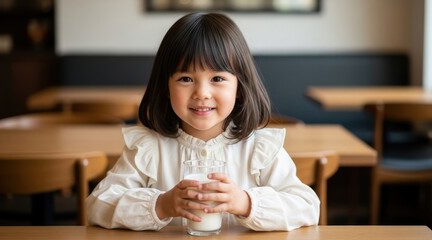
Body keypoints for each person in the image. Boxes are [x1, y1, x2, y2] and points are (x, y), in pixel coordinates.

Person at [86, 12, 319, 231]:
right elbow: (96, 205)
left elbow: (308, 207)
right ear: (166, 86)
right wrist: (162, 204)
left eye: (217, 78)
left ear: (239, 87)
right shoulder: (147, 147)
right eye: (186, 78)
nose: (202, 93)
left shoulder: (260, 148)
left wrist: (246, 202)